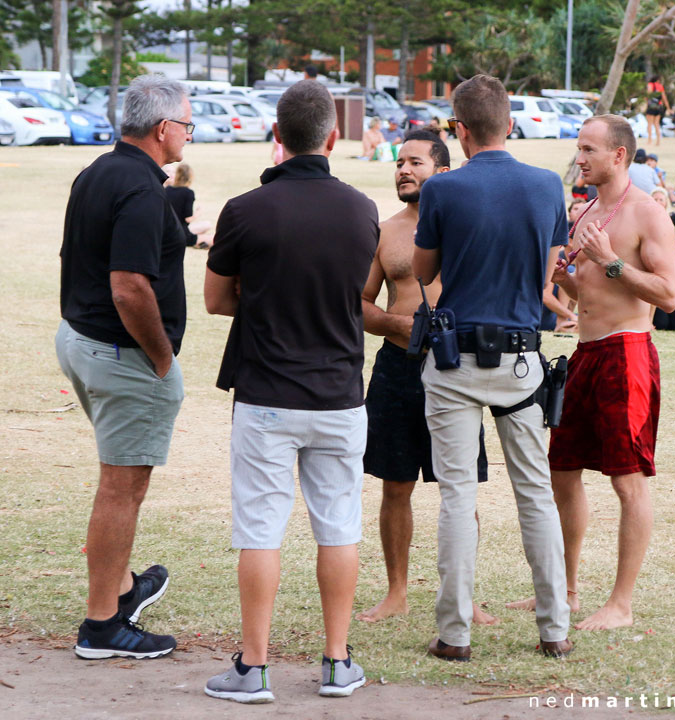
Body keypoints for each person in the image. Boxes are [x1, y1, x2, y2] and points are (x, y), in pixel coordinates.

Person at [203, 80, 379, 703]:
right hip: (339, 395)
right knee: (338, 527)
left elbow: (217, 299)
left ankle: (253, 669)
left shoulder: (245, 209)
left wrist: (265, 293)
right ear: (333, 137)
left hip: (267, 394)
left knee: (260, 529)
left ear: (276, 137)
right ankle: (336, 662)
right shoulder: (363, 210)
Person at [412, 74, 572, 661]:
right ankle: (554, 628)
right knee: (534, 493)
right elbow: (546, 273)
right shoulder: (545, 185)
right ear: (509, 123)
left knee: (456, 494)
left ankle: (454, 634)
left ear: (460, 130)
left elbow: (424, 271)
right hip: (522, 358)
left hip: (455, 359)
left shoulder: (443, 189)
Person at [510, 115, 675, 631]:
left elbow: (669, 295)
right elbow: (590, 295)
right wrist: (569, 280)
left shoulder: (648, 214)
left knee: (628, 482)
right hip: (583, 353)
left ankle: (621, 605)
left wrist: (610, 264)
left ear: (618, 155)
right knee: (562, 472)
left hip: (626, 355)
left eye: (588, 149)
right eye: (579, 148)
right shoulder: (583, 211)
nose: (579, 158)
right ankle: (568, 588)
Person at [55, 74, 191, 659]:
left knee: (121, 483)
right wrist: (161, 356)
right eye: (187, 124)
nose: (190, 133)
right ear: (163, 129)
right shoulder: (140, 189)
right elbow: (129, 287)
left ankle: (121, 587)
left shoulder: (98, 171)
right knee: (121, 489)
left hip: (81, 341)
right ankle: (103, 626)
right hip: (122, 355)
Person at [356, 130, 495, 626]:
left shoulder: (465, 224)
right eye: (398, 162)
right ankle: (396, 591)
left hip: (454, 368)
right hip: (396, 368)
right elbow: (361, 305)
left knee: (458, 487)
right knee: (395, 484)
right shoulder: (385, 230)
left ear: (442, 169)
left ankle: (463, 594)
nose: (403, 170)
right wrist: (397, 325)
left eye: (414, 161)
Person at [651, 189, 675, 331]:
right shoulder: (645, 223)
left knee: (674, 325)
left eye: (661, 199)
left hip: (667, 291)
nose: (658, 202)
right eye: (655, 199)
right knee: (661, 324)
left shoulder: (671, 221)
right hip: (651, 291)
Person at [165, 162, 212, 248]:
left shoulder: (167, 190)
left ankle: (198, 243)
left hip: (167, 231)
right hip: (181, 233)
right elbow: (187, 219)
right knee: (214, 239)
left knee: (206, 226)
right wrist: (198, 213)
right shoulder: (188, 193)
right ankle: (198, 243)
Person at [645, 76, 669, 146]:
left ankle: (650, 140)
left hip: (651, 106)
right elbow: (664, 98)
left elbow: (648, 94)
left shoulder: (650, 85)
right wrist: (668, 107)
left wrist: (646, 103)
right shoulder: (660, 86)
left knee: (649, 124)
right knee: (656, 124)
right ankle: (658, 141)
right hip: (659, 107)